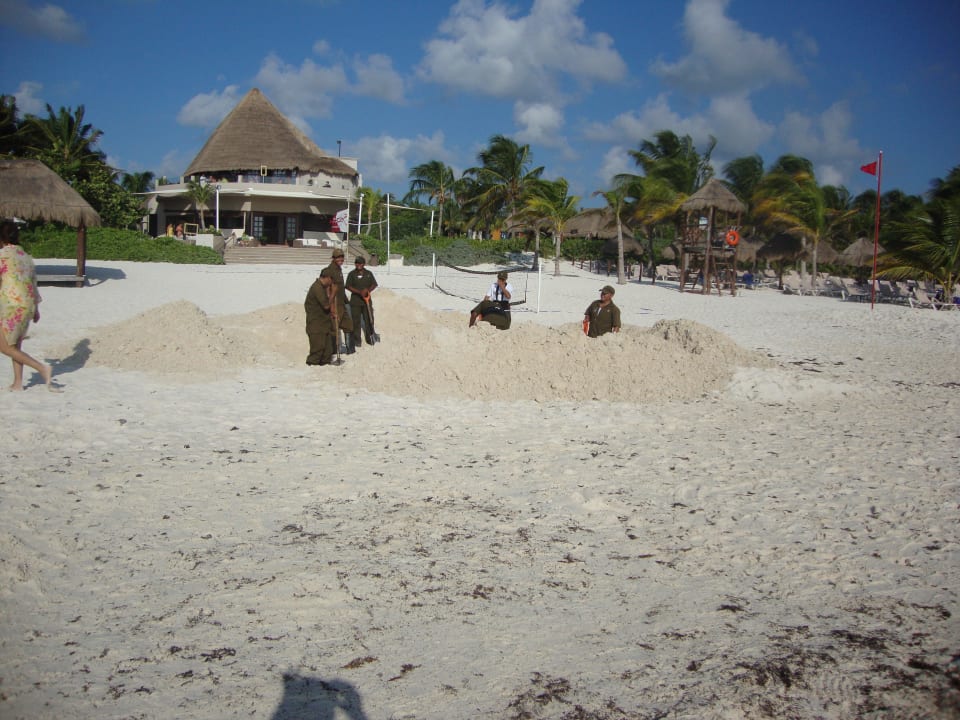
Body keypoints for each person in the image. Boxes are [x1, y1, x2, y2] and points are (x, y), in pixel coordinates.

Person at [0, 220, 58, 391]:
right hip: (27, 305)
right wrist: (36, 309)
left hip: (10, 305)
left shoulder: (2, 255)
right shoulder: (26, 257)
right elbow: (33, 283)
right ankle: (18, 383)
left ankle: (42, 368)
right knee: (15, 345)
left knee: (4, 346)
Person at [321, 248, 353, 352]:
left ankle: (350, 349)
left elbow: (341, 288)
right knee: (334, 327)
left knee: (348, 325)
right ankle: (334, 350)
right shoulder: (328, 271)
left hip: (342, 303)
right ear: (333, 258)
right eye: (338, 257)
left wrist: (346, 301)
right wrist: (331, 306)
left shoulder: (339, 270)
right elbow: (325, 289)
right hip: (334, 303)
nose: (340, 259)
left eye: (342, 257)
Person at [304, 272, 337, 366]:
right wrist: (333, 293)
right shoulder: (317, 288)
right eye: (331, 280)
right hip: (316, 325)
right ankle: (311, 369)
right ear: (327, 278)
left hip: (324, 325)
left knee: (327, 352)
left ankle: (324, 371)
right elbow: (326, 305)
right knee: (317, 351)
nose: (331, 283)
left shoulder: (322, 288)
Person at [345, 256, 378, 347]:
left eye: (360, 263)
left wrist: (367, 291)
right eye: (356, 263)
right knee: (356, 321)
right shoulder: (352, 274)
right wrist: (359, 292)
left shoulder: (368, 273)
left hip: (366, 301)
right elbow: (347, 286)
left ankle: (370, 338)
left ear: (363, 264)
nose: (358, 265)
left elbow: (374, 284)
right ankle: (357, 341)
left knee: (369, 320)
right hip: (355, 301)